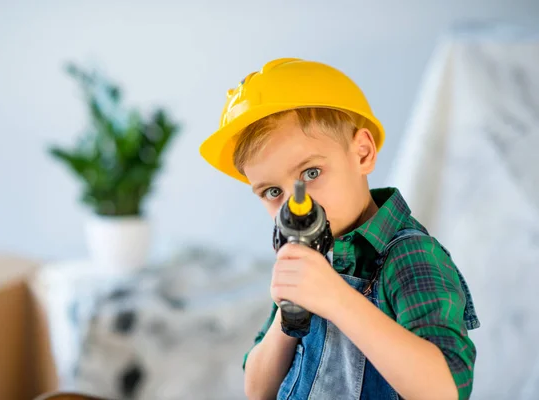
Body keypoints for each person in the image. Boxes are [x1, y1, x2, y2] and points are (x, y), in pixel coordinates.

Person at [199, 58, 480, 400]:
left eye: (311, 173)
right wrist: (287, 316)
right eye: (273, 192)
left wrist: (336, 298)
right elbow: (258, 391)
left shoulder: (409, 255)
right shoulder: (307, 256)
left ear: (362, 153)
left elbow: (445, 390)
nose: (294, 205)